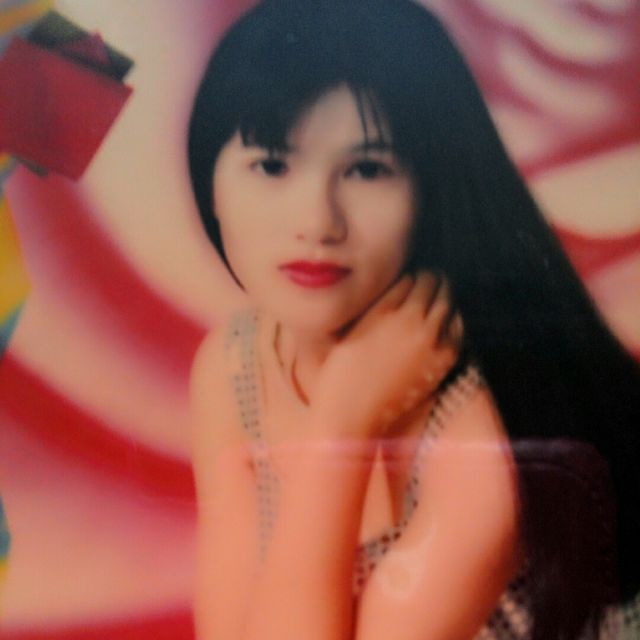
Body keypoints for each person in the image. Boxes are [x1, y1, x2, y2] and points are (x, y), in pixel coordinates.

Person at [187, 1, 640, 639]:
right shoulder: (234, 364)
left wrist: (340, 425)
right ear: (209, 178)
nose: (317, 222)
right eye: (272, 164)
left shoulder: (481, 430)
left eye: (368, 169)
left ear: (432, 187)